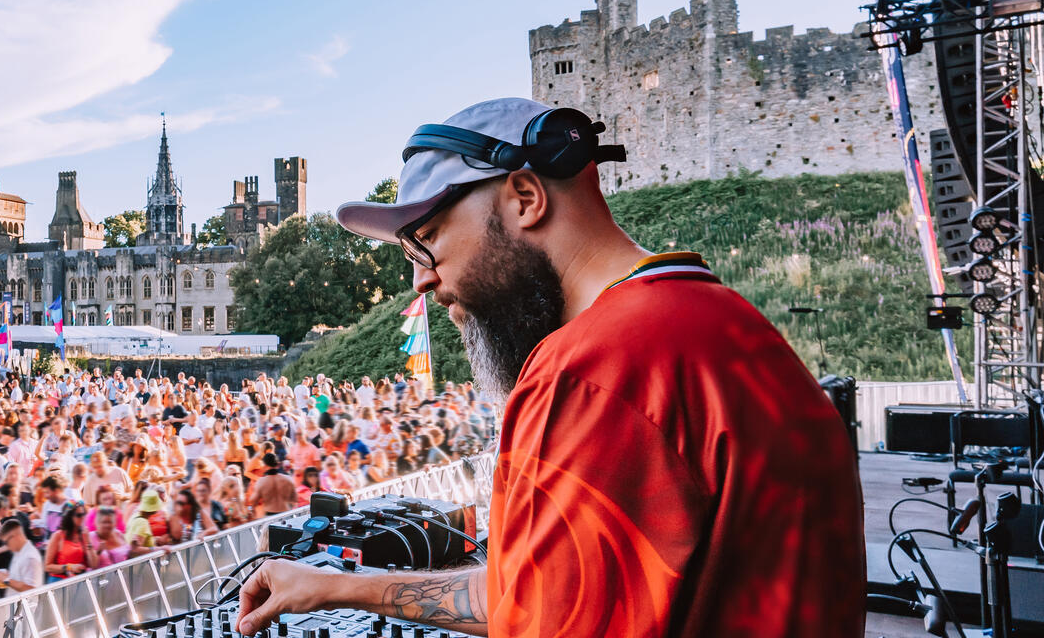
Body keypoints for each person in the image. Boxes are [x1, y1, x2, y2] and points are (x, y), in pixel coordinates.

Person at [236, 97, 863, 637]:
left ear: (526, 198)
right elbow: (528, 600)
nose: (424, 278)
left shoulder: (592, 370)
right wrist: (337, 586)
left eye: (426, 238)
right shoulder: (720, 319)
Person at [0, 520, 40, 594]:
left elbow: (31, 589)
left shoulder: (30, 557)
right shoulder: (18, 552)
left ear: (15, 537)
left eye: (6, 542)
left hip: (25, 605)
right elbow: (19, 579)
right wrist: (5, 579)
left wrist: (6, 579)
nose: (5, 546)